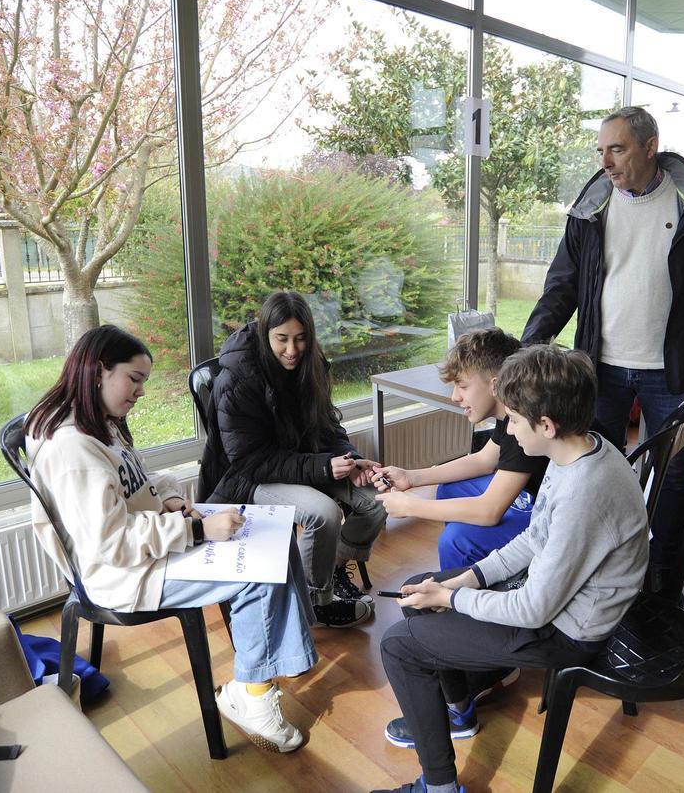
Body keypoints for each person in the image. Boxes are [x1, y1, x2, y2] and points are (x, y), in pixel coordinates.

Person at [371, 345, 650, 793]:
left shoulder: (584, 492)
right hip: (560, 604)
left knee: (399, 647)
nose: (509, 433)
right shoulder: (578, 451)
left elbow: (534, 609)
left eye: (514, 421)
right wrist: (464, 579)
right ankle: (458, 712)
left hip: (568, 631)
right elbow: (534, 539)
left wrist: (452, 598)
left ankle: (439, 786)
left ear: (546, 424)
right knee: (415, 589)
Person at [25, 324, 314, 753]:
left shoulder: (99, 420)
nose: (140, 392)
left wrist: (173, 499)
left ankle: (271, 658)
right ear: (100, 370)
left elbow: (139, 483)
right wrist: (196, 529)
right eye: (135, 380)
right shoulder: (72, 450)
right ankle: (250, 695)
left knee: (275, 537)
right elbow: (111, 545)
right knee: (258, 572)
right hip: (123, 574)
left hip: (146, 549)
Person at [521, 105, 684, 596]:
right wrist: (527, 349)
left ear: (649, 146)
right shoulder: (591, 208)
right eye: (601, 151)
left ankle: (663, 579)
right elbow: (562, 286)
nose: (607, 162)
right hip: (599, 370)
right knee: (593, 471)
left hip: (673, 373)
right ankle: (599, 568)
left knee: (673, 473)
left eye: (617, 149)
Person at [198, 291, 387, 628]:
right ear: (264, 333)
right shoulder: (236, 380)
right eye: (281, 339)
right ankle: (316, 602)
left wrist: (351, 459)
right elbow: (249, 461)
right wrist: (323, 467)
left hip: (302, 462)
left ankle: (330, 572)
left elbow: (327, 423)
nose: (292, 350)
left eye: (301, 339)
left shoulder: (310, 364)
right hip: (250, 477)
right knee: (323, 514)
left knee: (378, 501)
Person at [371, 328, 548, 571]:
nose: (455, 396)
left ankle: (460, 598)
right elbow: (484, 460)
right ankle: (478, 571)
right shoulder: (510, 408)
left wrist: (410, 506)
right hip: (535, 498)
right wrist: (411, 477)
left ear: (495, 384)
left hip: (551, 519)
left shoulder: (524, 424)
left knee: (455, 540)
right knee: (451, 488)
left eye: (462, 386)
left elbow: (490, 511)